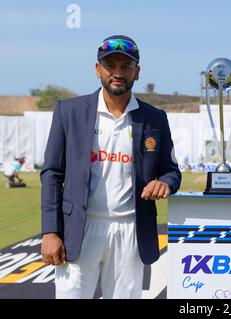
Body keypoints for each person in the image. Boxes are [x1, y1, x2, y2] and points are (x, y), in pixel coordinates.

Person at [40, 35, 182, 299]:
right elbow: (52, 174)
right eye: (110, 66)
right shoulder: (69, 111)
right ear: (98, 69)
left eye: (125, 67)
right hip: (80, 230)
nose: (117, 73)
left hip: (130, 229)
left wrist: (165, 182)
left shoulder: (155, 117)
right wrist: (50, 231)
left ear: (137, 72)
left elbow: (171, 170)